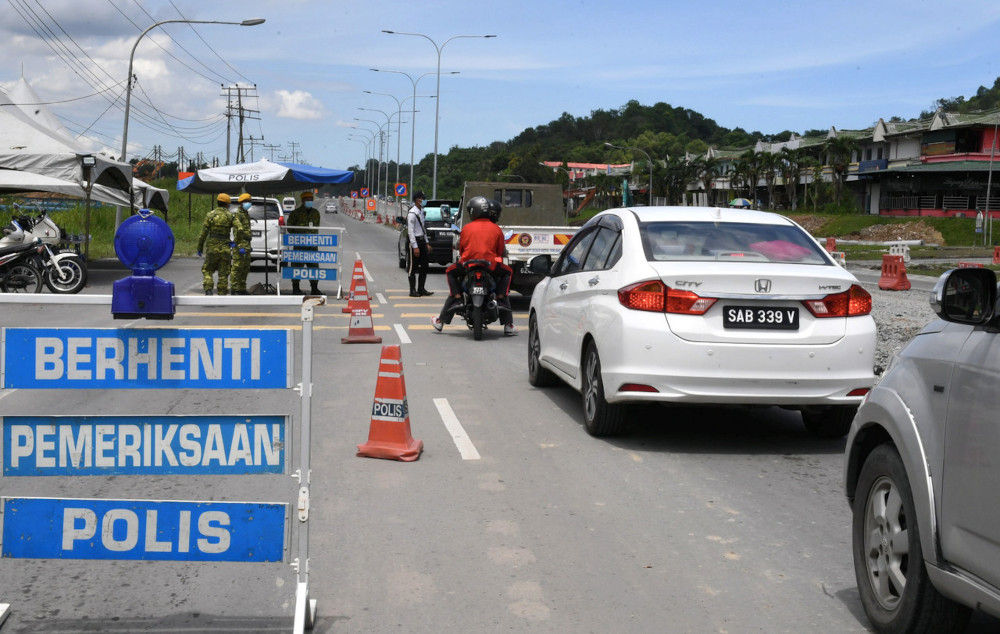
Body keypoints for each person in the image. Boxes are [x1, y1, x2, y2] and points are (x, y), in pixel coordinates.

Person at [431, 196, 516, 336]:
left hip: (467, 265)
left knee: (450, 273)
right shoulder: (496, 229)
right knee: (507, 272)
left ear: (473, 212)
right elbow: (500, 251)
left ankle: (454, 302)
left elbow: (462, 249)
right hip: (491, 266)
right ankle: (505, 315)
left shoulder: (467, 228)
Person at [196, 192, 236, 295]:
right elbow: (239, 229)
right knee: (223, 272)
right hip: (225, 248)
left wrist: (200, 247)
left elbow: (203, 233)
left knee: (208, 269)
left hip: (212, 247)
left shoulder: (211, 214)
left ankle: (209, 289)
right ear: (227, 204)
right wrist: (235, 243)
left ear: (218, 202)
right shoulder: (230, 216)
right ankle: (222, 293)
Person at [286, 191, 321, 295]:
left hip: (312, 246)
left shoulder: (316, 213)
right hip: (299, 246)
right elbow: (290, 228)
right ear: (302, 201)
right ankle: (296, 288)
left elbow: (317, 227)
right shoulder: (295, 213)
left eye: (311, 200)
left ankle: (314, 288)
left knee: (314, 268)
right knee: (296, 268)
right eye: (307, 200)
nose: (310, 202)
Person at [406, 190, 433, 297]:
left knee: (424, 266)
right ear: (417, 200)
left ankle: (421, 289)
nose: (423, 200)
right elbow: (410, 231)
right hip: (415, 242)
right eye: (422, 198)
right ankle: (412, 290)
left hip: (422, 241)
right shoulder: (412, 213)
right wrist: (415, 247)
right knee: (413, 267)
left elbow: (423, 229)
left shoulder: (421, 212)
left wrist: (427, 242)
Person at [229, 193, 252, 295]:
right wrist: (238, 246)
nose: (249, 203)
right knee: (237, 267)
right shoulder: (238, 214)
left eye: (249, 201)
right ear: (241, 203)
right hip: (240, 245)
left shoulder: (246, 214)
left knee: (245, 268)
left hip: (246, 244)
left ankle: (241, 288)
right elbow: (238, 231)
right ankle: (234, 289)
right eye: (247, 201)